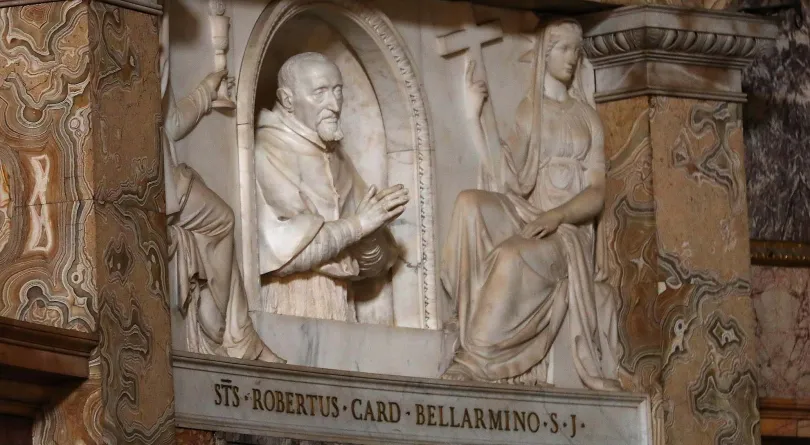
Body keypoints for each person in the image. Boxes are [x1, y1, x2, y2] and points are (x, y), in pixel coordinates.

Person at [440, 19, 620, 390]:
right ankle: (464, 318)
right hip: (529, 213)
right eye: (563, 49)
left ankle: (474, 360)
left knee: (511, 255)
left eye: (576, 50)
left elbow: (596, 192)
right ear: (545, 55)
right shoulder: (529, 111)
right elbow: (507, 177)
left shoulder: (588, 118)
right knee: (469, 203)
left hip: (568, 231)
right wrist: (474, 116)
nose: (571, 58)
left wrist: (558, 216)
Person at [160, 12, 284, 363]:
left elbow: (171, 123)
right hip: (153, 181)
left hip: (166, 177)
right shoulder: (141, 44)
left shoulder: (153, 53)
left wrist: (206, 90)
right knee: (222, 219)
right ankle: (221, 322)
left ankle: (239, 335)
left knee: (221, 221)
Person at [254, 52, 408, 323]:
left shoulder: (336, 157)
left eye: (337, 91)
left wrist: (371, 233)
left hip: (342, 306)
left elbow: (373, 267)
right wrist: (359, 225)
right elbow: (283, 257)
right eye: (320, 92)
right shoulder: (266, 151)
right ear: (288, 100)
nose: (334, 105)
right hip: (290, 305)